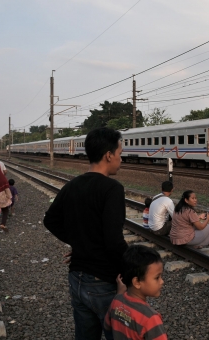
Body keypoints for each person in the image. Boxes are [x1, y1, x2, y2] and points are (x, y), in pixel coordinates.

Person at [44, 127, 128, 340]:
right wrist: (133, 269)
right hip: (103, 282)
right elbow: (114, 241)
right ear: (109, 155)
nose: (121, 159)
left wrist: (81, 244)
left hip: (77, 278)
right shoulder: (112, 189)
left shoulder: (72, 185)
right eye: (120, 154)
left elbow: (50, 220)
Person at [104, 245, 167, 340]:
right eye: (157, 277)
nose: (162, 281)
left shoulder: (116, 301)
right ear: (137, 282)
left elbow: (107, 326)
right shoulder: (150, 318)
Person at [169, 190, 209, 257]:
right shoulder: (190, 211)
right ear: (186, 200)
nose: (195, 200)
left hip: (174, 238)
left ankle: (205, 249)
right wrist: (207, 219)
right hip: (184, 239)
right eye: (193, 198)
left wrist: (198, 217)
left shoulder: (178, 208)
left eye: (195, 198)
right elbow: (200, 227)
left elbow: (184, 220)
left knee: (197, 228)